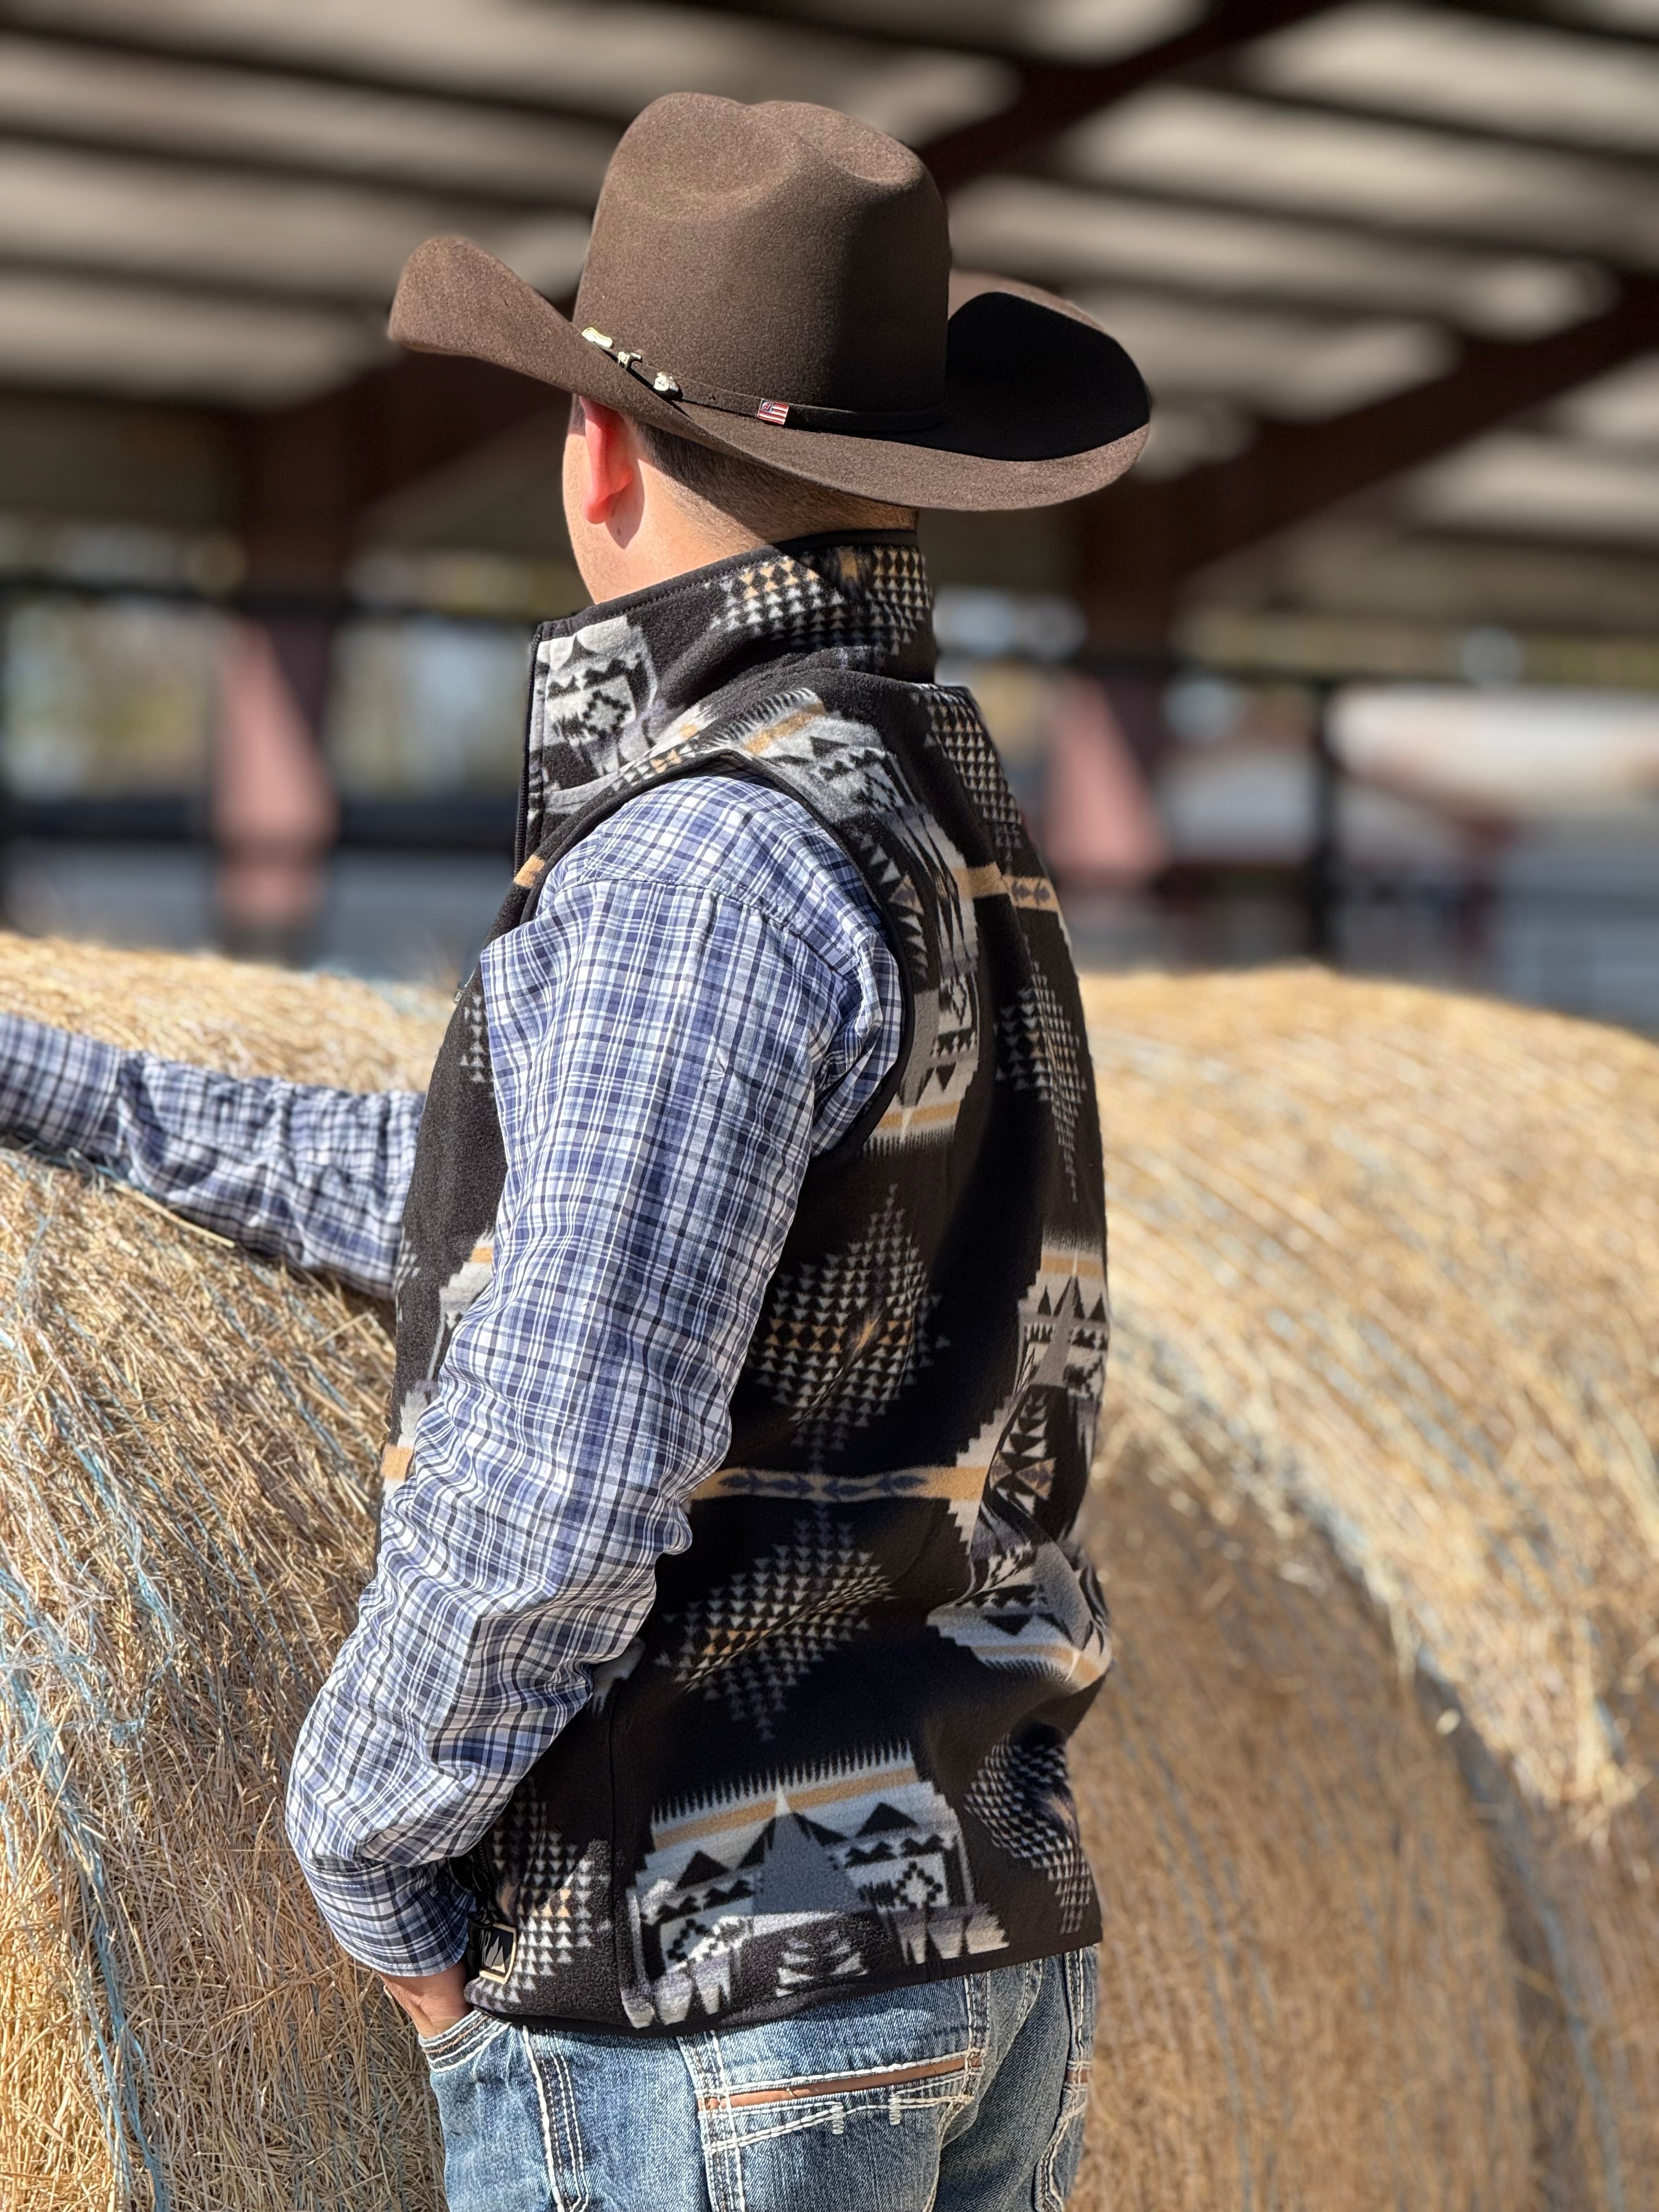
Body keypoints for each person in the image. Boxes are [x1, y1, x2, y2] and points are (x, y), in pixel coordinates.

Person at [0, 95, 1148, 2212]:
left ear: (595, 458)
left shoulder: (704, 858)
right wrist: (67, 1087)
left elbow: (557, 1459)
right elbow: (532, 1217)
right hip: (972, 1937)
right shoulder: (943, 829)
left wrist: (366, 1845)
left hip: (705, 1987)